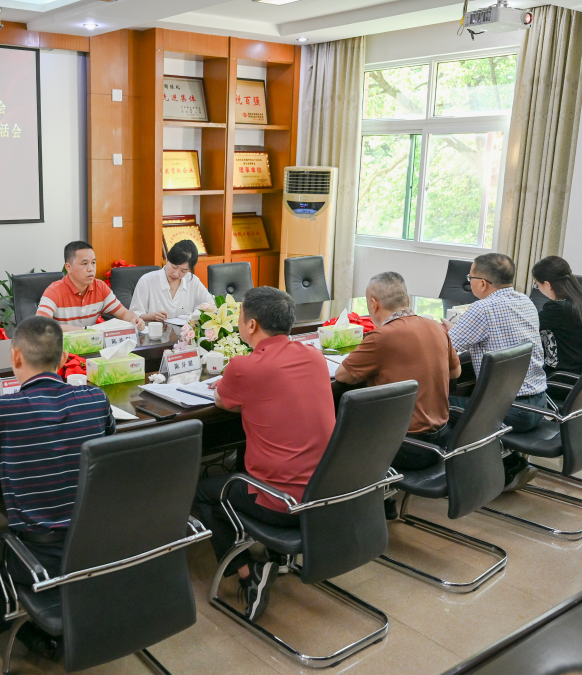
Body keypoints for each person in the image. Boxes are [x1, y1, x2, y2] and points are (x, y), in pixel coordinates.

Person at [0, 316, 116, 660]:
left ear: (15, 357)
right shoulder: (95, 398)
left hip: (39, 558)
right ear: (63, 358)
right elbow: (106, 439)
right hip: (97, 544)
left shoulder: (1, 410)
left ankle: (30, 633)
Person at [193, 287, 335, 622]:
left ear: (251, 324)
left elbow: (221, 401)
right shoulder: (314, 357)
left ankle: (249, 574)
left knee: (201, 492)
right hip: (325, 493)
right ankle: (277, 556)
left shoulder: (245, 366)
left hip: (282, 503)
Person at [442, 253, 547, 491]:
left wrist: (444, 334)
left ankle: (483, 472)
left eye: (470, 277)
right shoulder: (526, 301)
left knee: (436, 405)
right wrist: (459, 329)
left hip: (510, 410)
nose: (469, 281)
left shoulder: (483, 309)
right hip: (538, 404)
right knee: (467, 395)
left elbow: (445, 350)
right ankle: (509, 462)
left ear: (482, 283)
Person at [336, 272, 461, 471]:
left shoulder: (381, 336)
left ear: (373, 304)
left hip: (404, 447)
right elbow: (456, 373)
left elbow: (342, 376)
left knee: (339, 424)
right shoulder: (437, 328)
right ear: (407, 300)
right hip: (442, 440)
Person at [36, 240, 145, 331]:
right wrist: (83, 331)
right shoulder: (54, 291)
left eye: (93, 263)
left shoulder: (100, 287)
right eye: (84, 264)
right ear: (68, 267)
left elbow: (123, 313)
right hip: (62, 346)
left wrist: (134, 319)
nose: (91, 269)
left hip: (91, 345)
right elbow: (40, 325)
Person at [531, 256, 582, 375]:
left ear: (547, 284)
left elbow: (529, 328)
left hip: (561, 376)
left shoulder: (558, 309)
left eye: (538, 285)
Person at [129, 239, 214, 322]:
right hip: (153, 331)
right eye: (174, 267)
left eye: (183, 271)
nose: (176, 274)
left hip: (184, 331)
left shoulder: (193, 281)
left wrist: (195, 315)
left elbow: (211, 306)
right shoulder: (146, 281)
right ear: (167, 259)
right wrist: (151, 316)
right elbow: (133, 315)